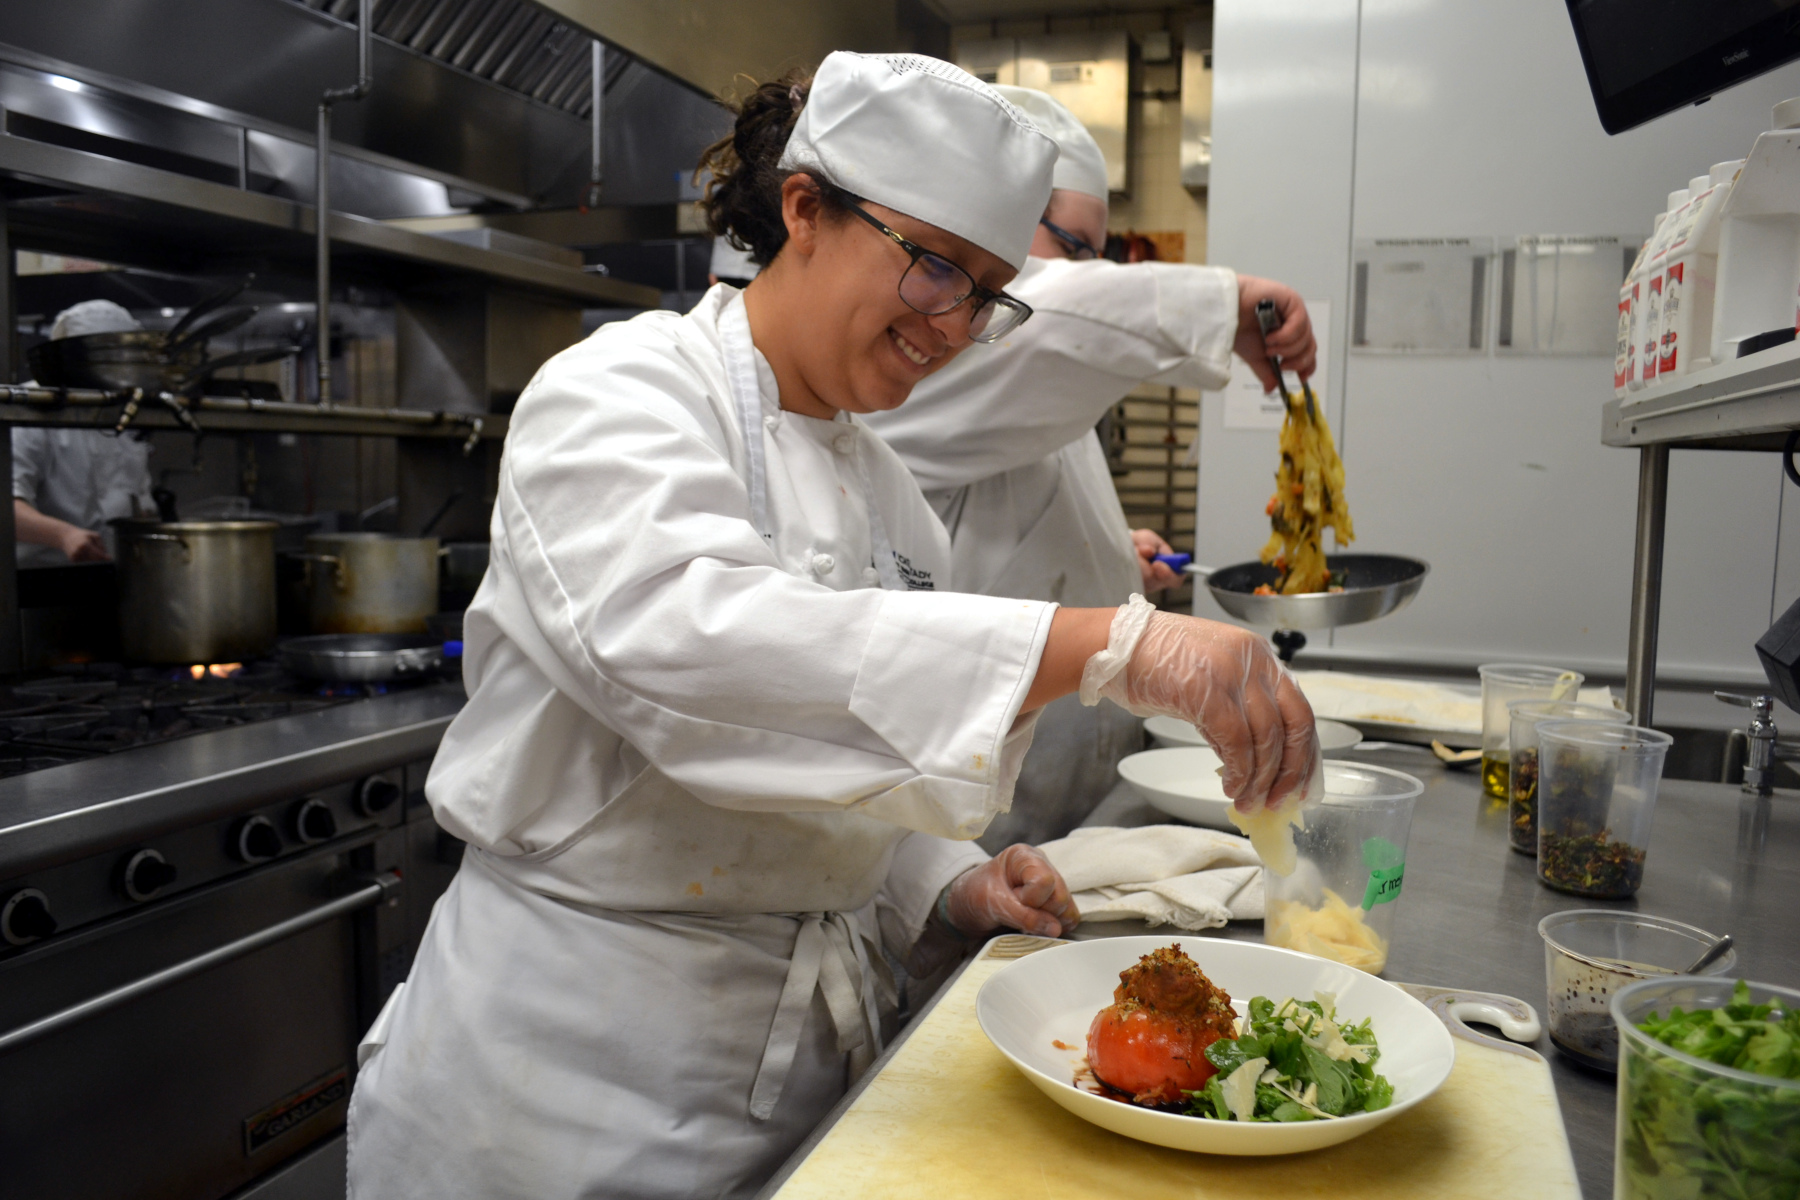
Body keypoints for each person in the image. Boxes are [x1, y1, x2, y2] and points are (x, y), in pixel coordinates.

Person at [347, 53, 1319, 1200]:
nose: (957, 325)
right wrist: (1106, 646)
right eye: (934, 270)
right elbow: (686, 656)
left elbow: (835, 753)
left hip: (803, 1081)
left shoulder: (891, 488)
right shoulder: (620, 391)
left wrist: (946, 883)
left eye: (990, 290)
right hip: (561, 1087)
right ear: (804, 208)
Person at [861, 86, 1318, 848]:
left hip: (1081, 788)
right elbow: (1045, 314)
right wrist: (1227, 304)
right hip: (987, 816)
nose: (1082, 271)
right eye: (1072, 247)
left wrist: (1113, 556)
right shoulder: (947, 347)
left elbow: (1027, 506)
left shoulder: (1026, 377)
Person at [13, 300, 155, 565]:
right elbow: (8, 504)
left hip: (116, 575)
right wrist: (64, 535)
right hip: (42, 582)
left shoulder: (123, 407)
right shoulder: (32, 407)